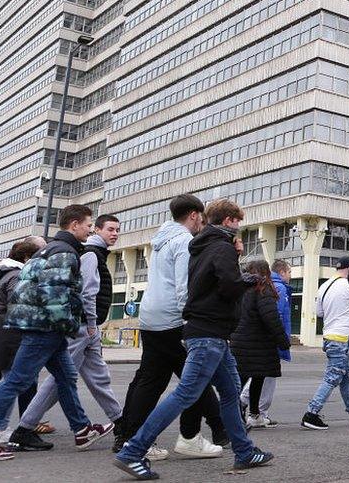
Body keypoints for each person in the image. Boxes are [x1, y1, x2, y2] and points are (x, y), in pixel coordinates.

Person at [114, 199, 273, 480]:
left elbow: (209, 282)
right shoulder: (220, 246)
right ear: (227, 221)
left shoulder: (199, 246)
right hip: (208, 331)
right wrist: (250, 279)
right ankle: (133, 450)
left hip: (211, 332)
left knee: (229, 390)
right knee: (186, 393)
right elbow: (227, 286)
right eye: (237, 221)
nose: (239, 227)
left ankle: (244, 451)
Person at [0, 205, 113, 462]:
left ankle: (82, 430)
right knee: (16, 380)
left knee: (67, 376)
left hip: (42, 325)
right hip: (46, 327)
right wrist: (70, 326)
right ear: (74, 225)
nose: (90, 229)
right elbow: (55, 296)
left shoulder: (47, 250)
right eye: (88, 225)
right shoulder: (65, 253)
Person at [116, 195, 225, 459]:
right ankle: (199, 435)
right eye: (202, 217)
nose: (203, 222)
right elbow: (183, 288)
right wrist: (191, 322)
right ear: (194, 215)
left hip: (151, 318)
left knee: (151, 381)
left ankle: (130, 438)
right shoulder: (185, 241)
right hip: (173, 319)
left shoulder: (161, 241)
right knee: (195, 380)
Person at [301, 256, 349, 430]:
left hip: (329, 337)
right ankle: (311, 413)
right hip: (343, 338)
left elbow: (319, 312)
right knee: (333, 376)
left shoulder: (324, 286)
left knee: (344, 378)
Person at [230, 260, 291, 429]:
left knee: (247, 378)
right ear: (266, 273)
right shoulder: (263, 289)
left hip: (239, 341)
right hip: (258, 343)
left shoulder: (239, 290)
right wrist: (283, 341)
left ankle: (250, 415)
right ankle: (243, 416)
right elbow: (271, 317)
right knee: (256, 378)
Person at [0, 239, 43, 445]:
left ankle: (1, 427)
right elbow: (19, 303)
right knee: (12, 382)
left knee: (13, 381)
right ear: (26, 258)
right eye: (40, 255)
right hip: (12, 336)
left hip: (9, 335)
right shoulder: (17, 276)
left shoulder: (10, 273)